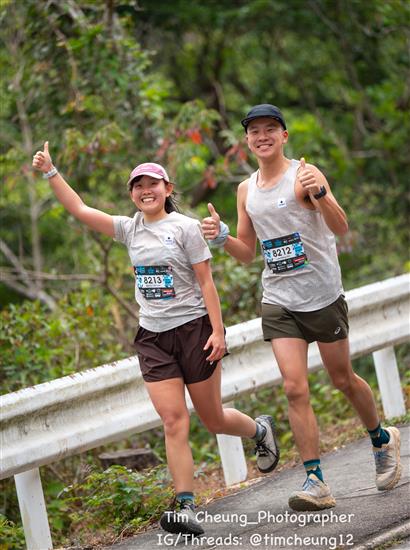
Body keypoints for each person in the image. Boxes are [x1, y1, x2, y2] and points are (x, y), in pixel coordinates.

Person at [32, 142, 280, 536]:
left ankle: (259, 431)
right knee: (173, 420)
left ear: (167, 189)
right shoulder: (129, 229)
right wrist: (50, 171)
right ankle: (186, 506)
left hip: (194, 331)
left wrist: (218, 331)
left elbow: (206, 282)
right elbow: (79, 209)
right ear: (132, 193)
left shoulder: (185, 228)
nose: (145, 191)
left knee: (213, 418)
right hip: (153, 337)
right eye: (138, 185)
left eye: (152, 184)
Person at [201, 104, 402, 511]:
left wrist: (320, 195)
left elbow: (340, 227)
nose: (262, 136)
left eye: (270, 129)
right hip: (279, 301)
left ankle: (382, 439)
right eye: (254, 131)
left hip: (322, 296)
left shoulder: (305, 175)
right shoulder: (246, 190)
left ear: (284, 136)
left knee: (342, 379)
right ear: (247, 140)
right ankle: (316, 481)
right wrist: (221, 236)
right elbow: (247, 252)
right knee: (294, 387)